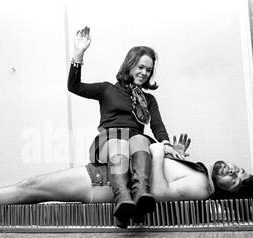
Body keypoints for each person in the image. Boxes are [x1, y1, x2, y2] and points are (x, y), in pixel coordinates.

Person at [0, 134, 253, 228]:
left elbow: (159, 193)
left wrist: (160, 151)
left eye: (236, 179)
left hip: (103, 184)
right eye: (239, 168)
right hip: (107, 177)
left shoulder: (202, 188)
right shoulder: (202, 176)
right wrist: (174, 154)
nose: (233, 170)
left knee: (34, 186)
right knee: (33, 186)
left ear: (227, 193)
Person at [67, 26, 181, 225]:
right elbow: (74, 87)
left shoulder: (149, 99)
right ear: (130, 65)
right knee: (120, 143)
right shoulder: (106, 90)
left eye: (149, 69)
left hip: (136, 143)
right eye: (141, 67)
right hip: (109, 141)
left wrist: (167, 144)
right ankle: (122, 199)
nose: (145, 73)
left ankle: (140, 195)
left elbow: (157, 126)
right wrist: (78, 53)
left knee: (138, 138)